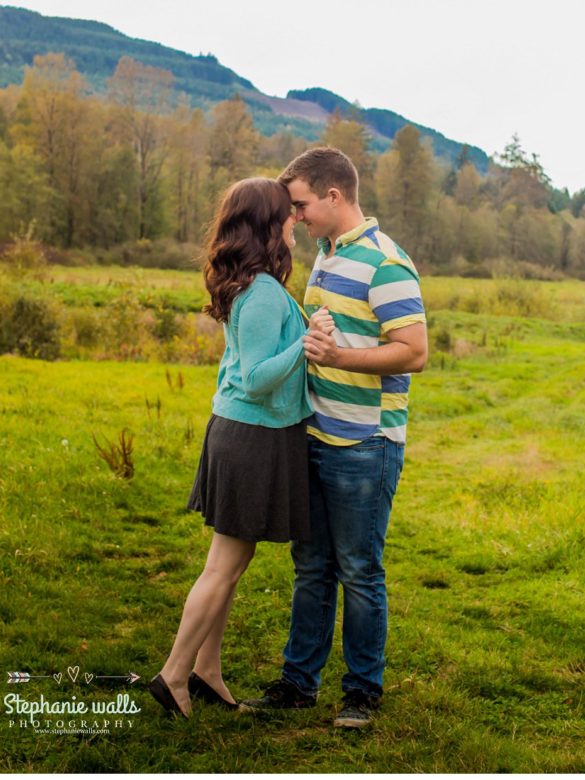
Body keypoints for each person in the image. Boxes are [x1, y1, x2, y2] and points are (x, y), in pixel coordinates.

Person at [240, 147, 428, 729]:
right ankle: (298, 685)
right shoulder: (326, 255)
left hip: (365, 445)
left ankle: (361, 694)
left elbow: (414, 352)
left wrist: (340, 353)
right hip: (316, 435)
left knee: (360, 570)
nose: (294, 218)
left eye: (300, 206)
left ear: (334, 196)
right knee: (312, 567)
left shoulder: (385, 264)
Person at [148, 177, 335, 718]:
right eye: (286, 214)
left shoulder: (258, 286)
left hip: (255, 435)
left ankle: (207, 670)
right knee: (223, 566)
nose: (295, 221)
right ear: (265, 225)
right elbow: (255, 378)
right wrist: (304, 345)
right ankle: (174, 675)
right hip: (249, 437)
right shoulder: (260, 293)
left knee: (231, 560)